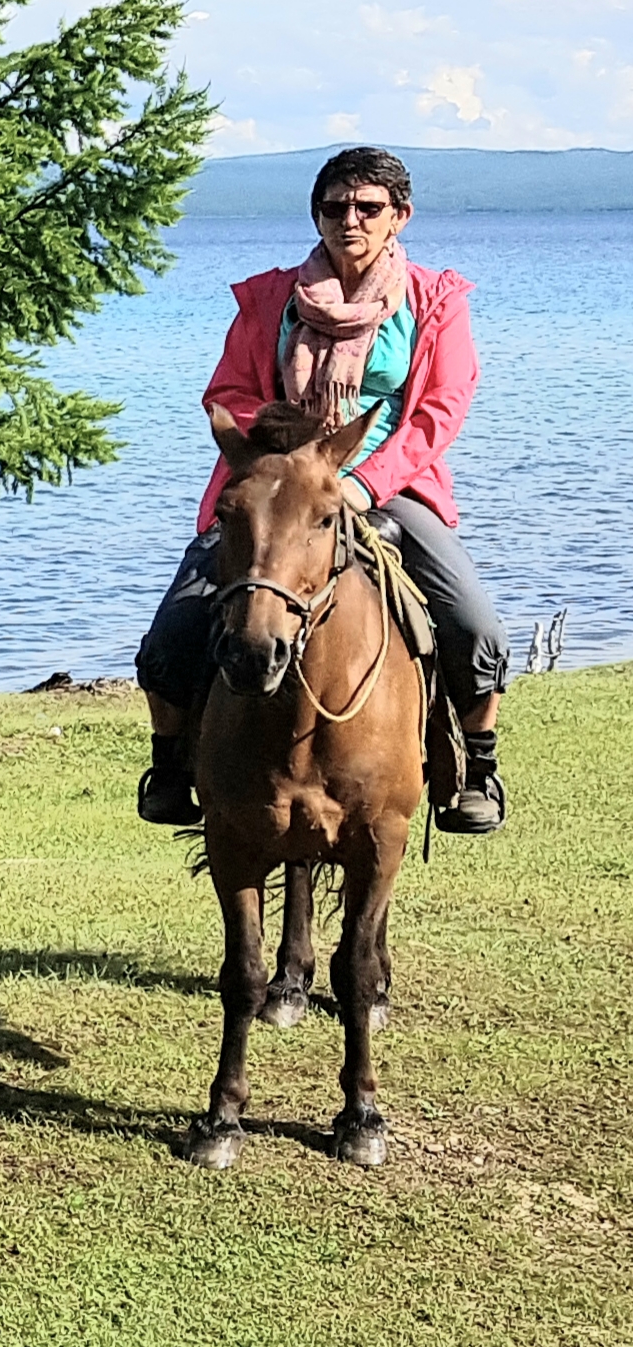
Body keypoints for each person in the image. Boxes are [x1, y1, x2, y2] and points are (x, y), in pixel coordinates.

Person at [135, 145, 509, 834]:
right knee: (174, 629)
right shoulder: (269, 299)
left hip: (388, 486)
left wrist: (365, 481)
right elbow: (229, 392)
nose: (351, 221)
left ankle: (474, 770)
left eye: (369, 208)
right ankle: (171, 764)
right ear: (316, 213)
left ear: (400, 216)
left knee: (473, 625)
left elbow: (440, 409)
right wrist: (280, 448)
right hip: (278, 487)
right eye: (335, 207)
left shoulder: (435, 302)